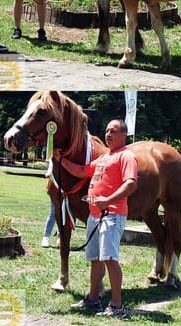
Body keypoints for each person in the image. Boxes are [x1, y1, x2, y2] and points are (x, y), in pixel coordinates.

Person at [53, 119, 137, 320]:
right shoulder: (104, 158)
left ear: (124, 134)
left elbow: (131, 184)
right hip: (95, 216)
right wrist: (61, 159)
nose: (108, 134)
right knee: (96, 259)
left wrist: (107, 200)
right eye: (107, 130)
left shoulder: (126, 156)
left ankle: (117, 305)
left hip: (112, 214)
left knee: (109, 258)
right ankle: (93, 298)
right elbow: (82, 171)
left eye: (113, 131)